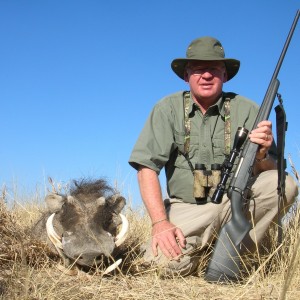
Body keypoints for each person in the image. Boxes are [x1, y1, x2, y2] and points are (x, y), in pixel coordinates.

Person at [129, 36, 298, 277]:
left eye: (214, 69)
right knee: (161, 266)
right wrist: (160, 223)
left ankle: (238, 258)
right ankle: (203, 254)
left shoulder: (249, 109)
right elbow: (146, 168)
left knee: (285, 185)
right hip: (186, 209)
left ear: (225, 75)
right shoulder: (167, 109)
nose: (206, 75)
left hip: (236, 202)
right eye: (198, 70)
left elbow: (273, 172)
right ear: (186, 76)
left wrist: (261, 155)